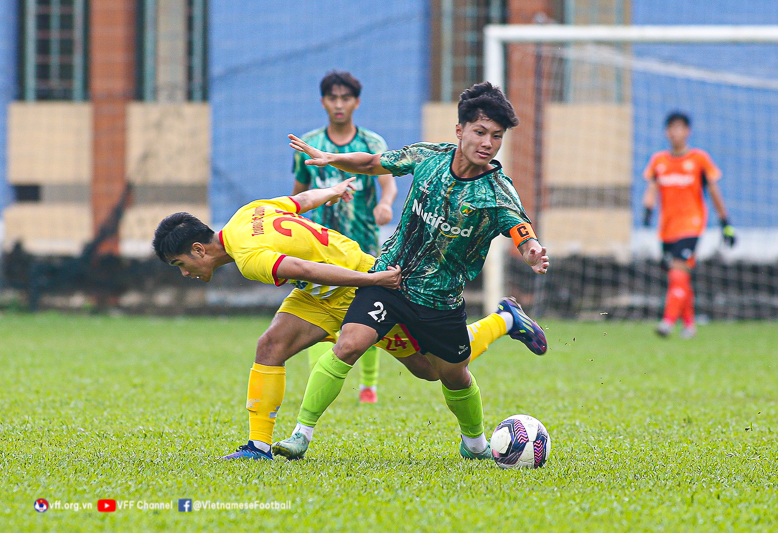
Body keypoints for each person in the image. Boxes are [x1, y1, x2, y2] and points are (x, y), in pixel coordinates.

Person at [153, 179, 547, 461]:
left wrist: (371, 279)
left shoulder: (249, 259)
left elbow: (304, 268)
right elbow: (299, 201)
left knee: (430, 369)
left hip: (357, 284)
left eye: (180, 264)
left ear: (199, 249)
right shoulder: (246, 215)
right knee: (269, 346)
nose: (184, 272)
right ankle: (257, 447)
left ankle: (505, 320)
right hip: (318, 297)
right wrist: (334, 191)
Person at [274, 81, 549, 461]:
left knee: (445, 374)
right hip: (389, 279)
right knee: (350, 343)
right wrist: (329, 158)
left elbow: (518, 224)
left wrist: (531, 247)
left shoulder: (497, 191)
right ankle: (300, 436)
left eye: (497, 137)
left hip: (440, 300)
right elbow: (374, 163)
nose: (487, 143)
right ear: (460, 130)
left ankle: (476, 444)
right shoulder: (427, 157)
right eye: (480, 132)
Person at [293, 71, 397, 404]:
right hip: (318, 245)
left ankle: (369, 386)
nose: (339, 105)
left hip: (362, 244)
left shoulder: (371, 143)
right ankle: (318, 381)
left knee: (367, 313)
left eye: (346, 98)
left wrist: (385, 203)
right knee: (318, 309)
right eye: (333, 98)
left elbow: (388, 180)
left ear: (356, 102)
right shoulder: (310, 145)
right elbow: (298, 192)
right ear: (323, 102)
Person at [643, 111, 736, 339]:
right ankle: (690, 324)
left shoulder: (699, 159)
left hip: (692, 225)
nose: (675, 132)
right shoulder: (659, 161)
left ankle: (667, 322)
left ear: (688, 131)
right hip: (667, 228)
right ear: (667, 132)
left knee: (677, 271)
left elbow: (714, 191)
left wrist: (725, 223)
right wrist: (647, 210)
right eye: (671, 128)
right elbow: (652, 188)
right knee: (680, 276)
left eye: (680, 128)